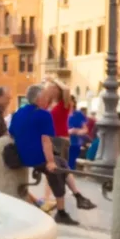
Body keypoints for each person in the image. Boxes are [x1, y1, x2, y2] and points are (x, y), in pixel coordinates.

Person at [7, 85, 79, 226]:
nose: (47, 99)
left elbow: (11, 133)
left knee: (60, 163)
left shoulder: (18, 112)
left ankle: (75, 195)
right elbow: (46, 140)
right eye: (45, 97)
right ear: (39, 99)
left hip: (20, 155)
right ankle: (61, 211)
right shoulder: (44, 115)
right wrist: (50, 161)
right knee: (57, 168)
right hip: (35, 157)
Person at [43, 82, 96, 211]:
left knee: (57, 169)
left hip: (60, 140)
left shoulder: (64, 104)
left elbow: (66, 88)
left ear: (58, 90)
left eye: (52, 88)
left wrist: (54, 79)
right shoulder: (49, 104)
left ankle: (54, 199)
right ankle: (72, 196)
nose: (49, 90)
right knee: (58, 169)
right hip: (51, 139)